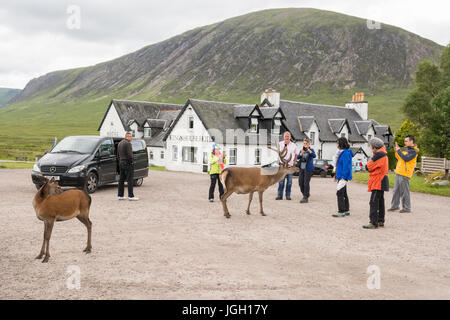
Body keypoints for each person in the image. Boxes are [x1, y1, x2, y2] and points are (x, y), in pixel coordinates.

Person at [388, 135, 419, 213]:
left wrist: (399, 151)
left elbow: (406, 158)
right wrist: (396, 151)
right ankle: (394, 206)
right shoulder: (406, 149)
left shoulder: (414, 151)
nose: (405, 142)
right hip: (399, 171)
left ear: (411, 141)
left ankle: (407, 208)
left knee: (404, 191)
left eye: (406, 141)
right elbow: (400, 158)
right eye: (404, 141)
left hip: (405, 173)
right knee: (396, 190)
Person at [363, 138, 389, 229]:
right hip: (383, 179)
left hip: (378, 180)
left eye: (370, 145)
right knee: (380, 201)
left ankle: (373, 222)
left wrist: (367, 165)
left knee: (373, 201)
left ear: (374, 147)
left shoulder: (378, 154)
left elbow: (368, 166)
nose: (369, 147)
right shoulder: (383, 153)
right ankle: (380, 220)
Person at [332, 137, 354, 217]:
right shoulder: (342, 152)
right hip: (340, 176)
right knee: (344, 193)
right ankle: (346, 210)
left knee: (339, 193)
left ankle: (341, 211)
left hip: (343, 177)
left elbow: (346, 166)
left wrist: (343, 177)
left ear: (341, 144)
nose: (337, 145)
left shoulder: (345, 153)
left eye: (338, 143)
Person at [276, 132, 298, 200]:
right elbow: (278, 153)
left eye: (288, 136)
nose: (287, 137)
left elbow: (296, 154)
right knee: (281, 181)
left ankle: (288, 195)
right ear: (284, 137)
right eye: (286, 136)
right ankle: (280, 195)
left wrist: (294, 162)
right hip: (282, 165)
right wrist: (284, 149)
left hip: (290, 166)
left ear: (290, 137)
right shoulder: (280, 144)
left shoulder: (294, 145)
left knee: (289, 182)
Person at [118, 132, 139, 201]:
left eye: (131, 136)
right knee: (130, 180)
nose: (131, 138)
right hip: (127, 163)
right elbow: (130, 155)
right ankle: (131, 196)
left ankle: (120, 195)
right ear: (126, 137)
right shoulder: (128, 144)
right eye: (130, 136)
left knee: (121, 179)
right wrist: (132, 162)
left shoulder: (120, 143)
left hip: (121, 162)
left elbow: (118, 154)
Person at [297, 138, 316, 203]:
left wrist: (309, 150)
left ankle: (305, 197)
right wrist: (301, 153)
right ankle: (306, 194)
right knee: (300, 183)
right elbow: (298, 157)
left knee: (306, 183)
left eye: (306, 143)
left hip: (308, 169)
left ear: (308, 144)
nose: (305, 145)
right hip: (302, 168)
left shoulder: (311, 150)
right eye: (304, 143)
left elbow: (314, 155)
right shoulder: (301, 150)